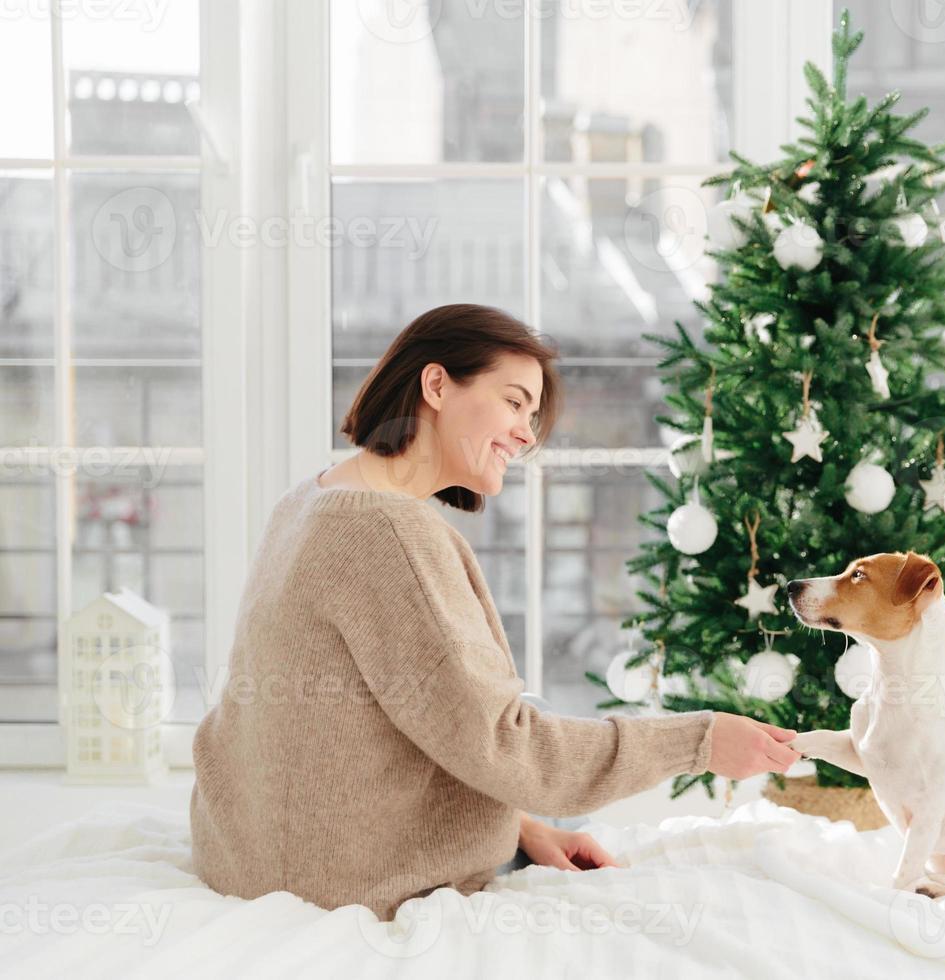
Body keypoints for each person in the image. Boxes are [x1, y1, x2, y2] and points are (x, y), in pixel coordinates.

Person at [190, 303, 800, 920]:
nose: (525, 434)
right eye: (513, 403)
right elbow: (505, 743)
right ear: (435, 384)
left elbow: (387, 729)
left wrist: (520, 827)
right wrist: (700, 741)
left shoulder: (314, 496)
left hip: (246, 851)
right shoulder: (386, 532)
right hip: (339, 879)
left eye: (532, 416)